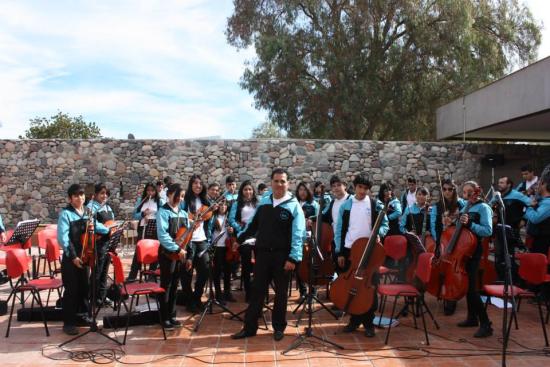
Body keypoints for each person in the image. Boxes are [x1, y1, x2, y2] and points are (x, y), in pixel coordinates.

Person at [231, 168, 305, 341]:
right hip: (263, 255)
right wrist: (240, 239)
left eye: (282, 181)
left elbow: (298, 235)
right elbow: (252, 225)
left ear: (288, 183)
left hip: (282, 258)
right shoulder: (264, 203)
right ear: (271, 182)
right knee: (257, 292)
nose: (279, 184)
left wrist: (293, 258)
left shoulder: (294, 206)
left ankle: (279, 327)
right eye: (276, 181)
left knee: (280, 294)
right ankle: (249, 328)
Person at [334, 174, 389, 337]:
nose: (362, 191)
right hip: (351, 250)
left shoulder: (374, 204)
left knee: (369, 287)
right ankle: (354, 320)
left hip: (370, 251)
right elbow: (340, 230)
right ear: (355, 186)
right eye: (360, 187)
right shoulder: (346, 205)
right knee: (352, 286)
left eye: (366, 189)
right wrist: (340, 251)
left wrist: (379, 233)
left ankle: (368, 322)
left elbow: (384, 224)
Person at [57, 184, 109, 335]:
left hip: (85, 256)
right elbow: (63, 238)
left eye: (81, 195)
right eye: (76, 195)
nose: (80, 198)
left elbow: (97, 226)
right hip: (71, 258)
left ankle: (83, 316)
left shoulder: (88, 211)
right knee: (72, 290)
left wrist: (109, 230)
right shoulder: (66, 214)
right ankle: (69, 323)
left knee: (84, 288)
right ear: (70, 198)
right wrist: (73, 256)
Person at [456, 181, 493, 338]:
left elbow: (487, 230)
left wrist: (470, 223)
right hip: (464, 250)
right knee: (467, 286)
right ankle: (472, 318)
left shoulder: (484, 208)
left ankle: (486, 323)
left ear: (476, 192)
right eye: (464, 192)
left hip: (474, 250)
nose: (467, 195)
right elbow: (462, 226)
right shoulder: (467, 206)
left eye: (470, 192)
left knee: (471, 288)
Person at [430, 179, 465, 316]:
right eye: (444, 189)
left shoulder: (461, 204)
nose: (447, 192)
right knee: (442, 268)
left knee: (453, 270)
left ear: (454, 190)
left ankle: (452, 296)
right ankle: (443, 293)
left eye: (450, 189)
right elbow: (433, 225)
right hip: (443, 242)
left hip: (457, 242)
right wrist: (439, 241)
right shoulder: (437, 206)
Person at [156, 183, 189, 330]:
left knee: (176, 284)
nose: (180, 199)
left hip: (180, 254)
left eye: (182, 197)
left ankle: (172, 315)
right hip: (167, 254)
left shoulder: (183, 213)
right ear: (169, 194)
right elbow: (163, 235)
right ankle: (164, 317)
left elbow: (186, 235)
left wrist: (186, 252)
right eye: (178, 196)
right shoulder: (163, 212)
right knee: (166, 285)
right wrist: (176, 249)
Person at [181, 174, 214, 312]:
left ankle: (196, 297)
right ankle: (189, 301)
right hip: (189, 239)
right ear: (191, 185)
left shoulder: (205, 200)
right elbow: (181, 215)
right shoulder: (185, 201)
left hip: (201, 239)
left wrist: (212, 211)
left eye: (200, 183)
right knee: (187, 272)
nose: (198, 186)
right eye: (195, 183)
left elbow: (209, 219)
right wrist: (191, 220)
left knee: (205, 270)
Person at [489, 177, 530, 281]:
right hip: (498, 229)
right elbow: (489, 206)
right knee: (499, 256)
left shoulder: (517, 195)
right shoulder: (497, 196)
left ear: (509, 184)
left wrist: (524, 219)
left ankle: (515, 281)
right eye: (499, 182)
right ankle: (501, 279)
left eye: (502, 182)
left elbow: (531, 205)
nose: (499, 184)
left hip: (512, 230)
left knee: (510, 257)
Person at [228, 180, 258, 302]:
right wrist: (240, 227)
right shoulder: (237, 203)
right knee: (246, 264)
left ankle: (257, 289)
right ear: (242, 191)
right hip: (243, 236)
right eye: (245, 189)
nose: (248, 191)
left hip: (257, 235)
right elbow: (231, 219)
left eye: (250, 189)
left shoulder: (258, 203)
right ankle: (248, 292)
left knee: (259, 263)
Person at [86, 183, 115, 306]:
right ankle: (92, 297)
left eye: (106, 193)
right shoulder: (91, 206)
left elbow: (112, 221)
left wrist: (115, 228)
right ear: (95, 194)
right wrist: (107, 230)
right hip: (98, 242)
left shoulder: (107, 207)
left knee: (104, 271)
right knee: (97, 271)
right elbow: (92, 223)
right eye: (101, 193)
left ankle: (102, 296)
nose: (104, 196)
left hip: (108, 242)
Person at [126, 183, 161, 282]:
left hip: (154, 227)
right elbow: (134, 215)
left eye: (152, 190)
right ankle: (132, 276)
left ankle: (151, 276)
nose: (150, 192)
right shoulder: (141, 201)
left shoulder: (159, 202)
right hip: (143, 227)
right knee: (139, 250)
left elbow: (162, 214)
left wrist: (153, 216)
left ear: (155, 191)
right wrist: (143, 214)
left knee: (154, 251)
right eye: (148, 190)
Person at [295, 181, 319, 299]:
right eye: (300, 190)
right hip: (296, 238)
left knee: (310, 264)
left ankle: (313, 291)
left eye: (304, 190)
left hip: (309, 238)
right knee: (298, 264)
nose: (302, 192)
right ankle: (302, 292)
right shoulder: (294, 203)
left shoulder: (314, 204)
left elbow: (320, 218)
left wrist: (312, 219)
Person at [210, 201, 233, 304]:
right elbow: (208, 230)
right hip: (217, 246)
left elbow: (234, 230)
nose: (223, 207)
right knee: (217, 271)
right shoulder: (213, 217)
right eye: (221, 205)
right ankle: (218, 294)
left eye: (225, 205)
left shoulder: (229, 218)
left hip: (227, 246)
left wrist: (232, 230)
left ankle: (227, 292)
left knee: (228, 271)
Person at [524, 170, 550, 256]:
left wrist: (530, 207)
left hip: (543, 243)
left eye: (538, 184)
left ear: (544, 184)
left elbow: (535, 218)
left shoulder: (548, 203)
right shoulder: (541, 201)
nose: (535, 187)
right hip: (537, 240)